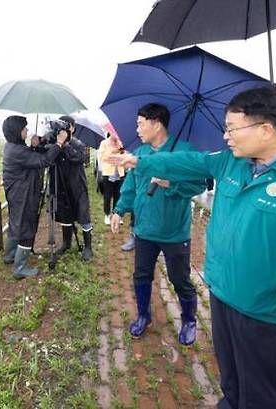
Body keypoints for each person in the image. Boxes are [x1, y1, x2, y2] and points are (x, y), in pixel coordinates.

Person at [108, 87, 276, 409]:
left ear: (265, 129)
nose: (226, 137)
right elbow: (191, 162)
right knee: (231, 379)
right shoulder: (231, 162)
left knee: (259, 390)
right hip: (222, 292)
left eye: (232, 128)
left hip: (263, 307)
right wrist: (139, 161)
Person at [110, 103, 207, 345]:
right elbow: (131, 187)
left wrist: (171, 184)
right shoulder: (139, 153)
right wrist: (119, 210)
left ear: (156, 123)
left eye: (141, 123)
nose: (138, 129)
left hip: (174, 232)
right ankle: (143, 315)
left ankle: (189, 319)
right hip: (144, 229)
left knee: (180, 279)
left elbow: (199, 185)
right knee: (141, 275)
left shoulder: (184, 151)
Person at [2, 115, 67, 279]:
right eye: (24, 129)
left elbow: (29, 158)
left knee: (16, 223)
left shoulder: (12, 147)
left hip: (17, 194)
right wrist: (59, 143)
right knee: (26, 227)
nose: (27, 131)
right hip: (23, 194)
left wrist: (33, 146)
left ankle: (9, 256)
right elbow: (43, 161)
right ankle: (20, 268)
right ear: (17, 131)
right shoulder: (17, 151)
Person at [52, 115, 94, 261]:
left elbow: (78, 158)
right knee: (65, 215)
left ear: (73, 128)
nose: (64, 128)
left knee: (83, 215)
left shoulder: (78, 143)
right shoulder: (55, 143)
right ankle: (66, 243)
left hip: (77, 186)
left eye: (67, 125)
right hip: (61, 186)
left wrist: (65, 145)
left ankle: (88, 247)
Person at [97, 131, 126, 225]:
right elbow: (102, 157)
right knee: (107, 195)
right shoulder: (104, 143)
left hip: (120, 172)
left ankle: (116, 215)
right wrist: (113, 152)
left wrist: (121, 150)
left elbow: (124, 156)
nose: (117, 136)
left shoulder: (121, 142)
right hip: (108, 173)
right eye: (115, 133)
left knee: (118, 195)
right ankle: (107, 215)